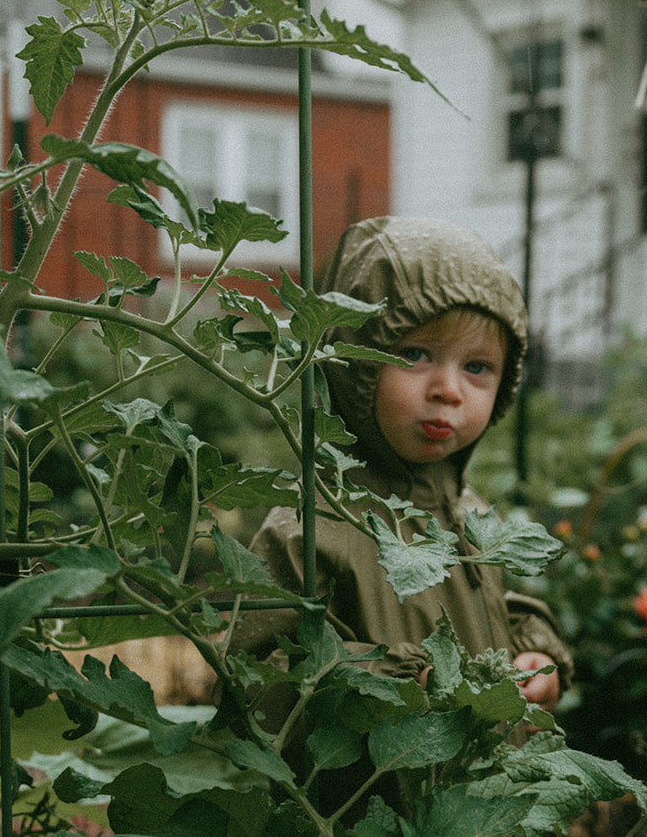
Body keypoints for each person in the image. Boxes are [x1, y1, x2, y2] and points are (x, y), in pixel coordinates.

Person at [231, 216, 570, 776]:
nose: (448, 390)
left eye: (478, 366)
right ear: (351, 360)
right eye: (415, 354)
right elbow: (259, 682)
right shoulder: (311, 526)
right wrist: (398, 679)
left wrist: (531, 658)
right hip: (357, 808)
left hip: (479, 801)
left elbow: (485, 616)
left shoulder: (473, 515)